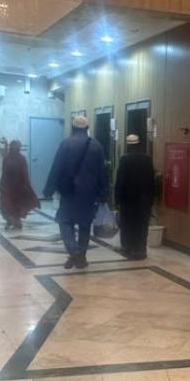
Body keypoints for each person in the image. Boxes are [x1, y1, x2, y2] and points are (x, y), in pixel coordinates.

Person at [44, 114, 107, 269]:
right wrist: (104, 192)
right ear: (87, 128)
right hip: (89, 193)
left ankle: (74, 252)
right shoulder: (97, 146)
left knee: (65, 222)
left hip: (69, 191)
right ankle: (81, 258)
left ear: (72, 127)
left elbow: (56, 167)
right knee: (85, 225)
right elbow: (102, 172)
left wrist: (49, 189)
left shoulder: (66, 144)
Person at [114, 133, 155, 260]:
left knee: (127, 224)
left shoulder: (124, 159)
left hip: (127, 199)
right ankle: (140, 249)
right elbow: (151, 180)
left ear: (128, 145)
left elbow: (120, 180)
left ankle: (127, 248)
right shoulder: (147, 159)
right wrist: (151, 198)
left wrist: (117, 198)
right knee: (142, 224)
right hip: (144, 199)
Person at [0, 139, 40, 230]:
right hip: (8, 187)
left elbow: (25, 173)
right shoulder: (7, 158)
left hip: (18, 187)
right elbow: (4, 173)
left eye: (17, 147)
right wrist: (1, 185)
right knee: (6, 205)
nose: (15, 148)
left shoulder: (21, 159)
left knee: (16, 206)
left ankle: (16, 221)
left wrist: (26, 185)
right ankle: (10, 221)